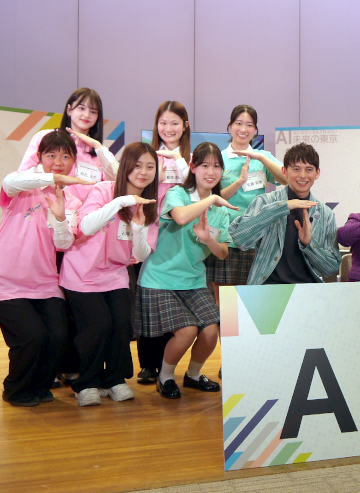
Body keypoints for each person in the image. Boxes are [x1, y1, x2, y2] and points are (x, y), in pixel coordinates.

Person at [0, 130, 92, 406]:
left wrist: (61, 217)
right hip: (4, 281)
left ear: (74, 162)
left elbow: (63, 243)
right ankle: (16, 389)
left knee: (58, 336)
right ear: (39, 158)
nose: (58, 162)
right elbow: (9, 181)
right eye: (51, 155)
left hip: (43, 283)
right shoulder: (22, 188)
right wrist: (54, 178)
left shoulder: (72, 202)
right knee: (31, 337)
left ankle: (39, 386)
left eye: (66, 156)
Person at [134, 142, 237, 399]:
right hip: (159, 278)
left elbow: (222, 253)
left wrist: (208, 239)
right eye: (204, 165)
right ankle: (165, 377)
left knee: (211, 331)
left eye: (216, 166)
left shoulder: (220, 210)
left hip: (193, 280)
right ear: (192, 167)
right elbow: (180, 217)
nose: (210, 172)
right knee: (187, 331)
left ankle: (193, 375)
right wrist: (211, 199)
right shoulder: (178, 193)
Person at [59, 142, 159, 406]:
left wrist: (138, 229)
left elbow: (141, 254)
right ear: (125, 166)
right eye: (137, 165)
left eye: (150, 167)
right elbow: (86, 226)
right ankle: (87, 383)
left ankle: (114, 379)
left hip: (114, 274)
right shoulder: (103, 190)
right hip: (81, 273)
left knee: (121, 325)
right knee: (97, 325)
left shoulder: (150, 206)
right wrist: (121, 201)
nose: (143, 172)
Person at [134, 101, 192, 385]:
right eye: (163, 123)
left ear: (185, 126)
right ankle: (148, 364)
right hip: (149, 230)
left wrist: (178, 159)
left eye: (174, 123)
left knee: (173, 298)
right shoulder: (148, 155)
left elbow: (194, 185)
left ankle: (167, 365)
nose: (168, 129)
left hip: (179, 233)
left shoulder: (191, 157)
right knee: (149, 295)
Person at [229, 143, 341, 285]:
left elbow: (330, 268)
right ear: (284, 171)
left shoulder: (326, 214)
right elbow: (240, 239)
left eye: (309, 169)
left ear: (317, 173)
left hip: (308, 290)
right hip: (268, 288)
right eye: (296, 169)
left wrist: (309, 244)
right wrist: (282, 207)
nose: (302, 175)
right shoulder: (265, 201)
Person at [207, 105, 286, 296]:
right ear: (230, 125)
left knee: (251, 300)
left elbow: (286, 179)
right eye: (238, 123)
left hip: (255, 237)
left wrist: (260, 157)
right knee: (224, 301)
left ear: (255, 129)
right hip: (225, 237)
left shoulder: (263, 157)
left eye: (249, 125)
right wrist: (239, 182)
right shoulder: (219, 158)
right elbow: (210, 199)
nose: (243, 129)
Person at [19, 88, 118, 189]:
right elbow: (22, 177)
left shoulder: (100, 152)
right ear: (69, 110)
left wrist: (98, 147)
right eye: (82, 108)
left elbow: (113, 185)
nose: (87, 115)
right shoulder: (45, 137)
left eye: (93, 112)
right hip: (47, 199)